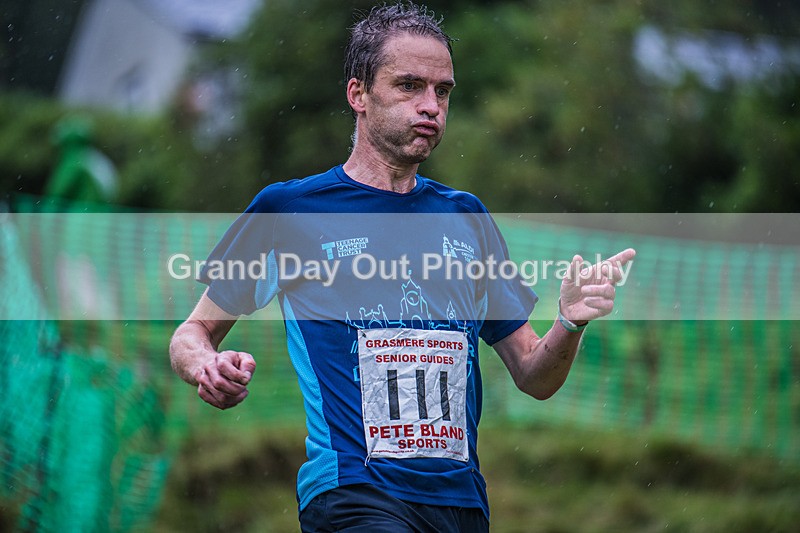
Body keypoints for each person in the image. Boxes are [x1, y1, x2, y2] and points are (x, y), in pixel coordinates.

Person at [169, 2, 635, 531]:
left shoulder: (467, 217)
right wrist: (204, 365)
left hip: (459, 503)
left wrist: (570, 321)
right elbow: (193, 332)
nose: (431, 106)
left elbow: (534, 375)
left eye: (443, 91)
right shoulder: (291, 210)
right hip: (354, 493)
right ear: (358, 95)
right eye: (410, 86)